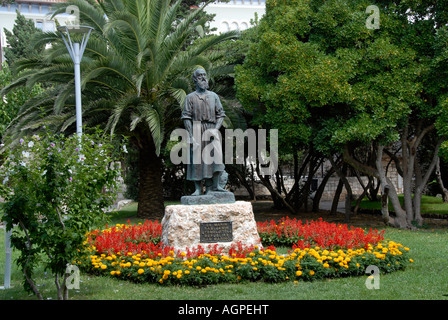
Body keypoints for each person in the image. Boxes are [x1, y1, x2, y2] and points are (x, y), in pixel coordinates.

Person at [181, 68, 229, 195]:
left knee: (215, 159)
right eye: (200, 76)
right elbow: (186, 117)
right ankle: (197, 189)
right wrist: (190, 136)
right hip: (196, 128)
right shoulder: (190, 97)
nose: (203, 77)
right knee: (196, 160)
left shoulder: (214, 96)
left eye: (204, 75)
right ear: (195, 79)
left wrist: (215, 129)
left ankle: (213, 187)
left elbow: (221, 115)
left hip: (212, 129)